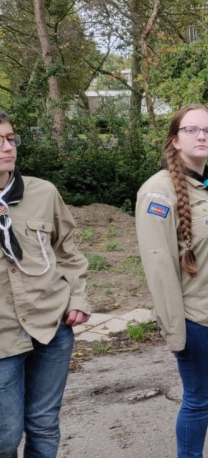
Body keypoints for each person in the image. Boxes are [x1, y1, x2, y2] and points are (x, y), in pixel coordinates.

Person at [136, 104, 208, 457]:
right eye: (191, 130)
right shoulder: (157, 193)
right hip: (201, 321)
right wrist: (175, 332)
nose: (201, 135)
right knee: (200, 399)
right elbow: (159, 270)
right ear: (174, 139)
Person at [0, 111, 91, 458]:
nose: (8, 147)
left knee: (43, 424)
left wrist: (78, 297)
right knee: (5, 436)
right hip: (3, 336)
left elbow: (67, 250)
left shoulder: (43, 193)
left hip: (51, 327)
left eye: (11, 139)